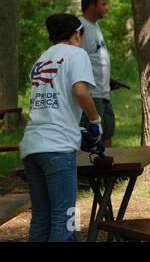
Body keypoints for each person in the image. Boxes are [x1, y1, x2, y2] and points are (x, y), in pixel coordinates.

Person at [20, 14, 101, 241]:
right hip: (58, 146)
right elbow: (80, 91)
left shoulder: (42, 58)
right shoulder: (77, 54)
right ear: (76, 34)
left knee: (41, 217)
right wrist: (95, 121)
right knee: (64, 218)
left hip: (32, 146)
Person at [79, 0, 115, 147]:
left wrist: (109, 79)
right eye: (103, 4)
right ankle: (92, 169)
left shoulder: (95, 26)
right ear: (92, 6)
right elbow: (78, 59)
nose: (106, 8)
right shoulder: (80, 27)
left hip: (103, 90)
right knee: (94, 137)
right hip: (91, 93)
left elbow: (96, 57)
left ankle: (109, 168)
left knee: (108, 132)